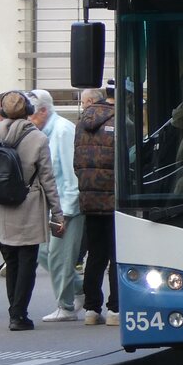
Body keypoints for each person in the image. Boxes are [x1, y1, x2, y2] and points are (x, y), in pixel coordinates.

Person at [0, 90, 62, 330]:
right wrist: (57, 214)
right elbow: (48, 180)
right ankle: (19, 313)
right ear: (29, 111)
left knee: (10, 260)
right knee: (27, 261)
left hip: (2, 205)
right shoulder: (38, 139)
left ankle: (14, 311)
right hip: (29, 204)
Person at [29, 89, 85, 323]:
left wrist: (68, 210)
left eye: (31, 113)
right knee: (45, 253)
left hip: (65, 206)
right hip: (53, 205)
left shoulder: (62, 131)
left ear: (43, 111)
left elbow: (72, 174)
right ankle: (80, 290)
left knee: (59, 256)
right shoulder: (45, 132)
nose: (28, 118)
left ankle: (66, 305)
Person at [75, 87, 118, 326]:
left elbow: (76, 162)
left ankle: (91, 309)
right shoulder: (121, 120)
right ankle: (115, 309)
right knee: (116, 255)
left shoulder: (81, 123)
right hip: (113, 199)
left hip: (89, 197)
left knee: (95, 254)